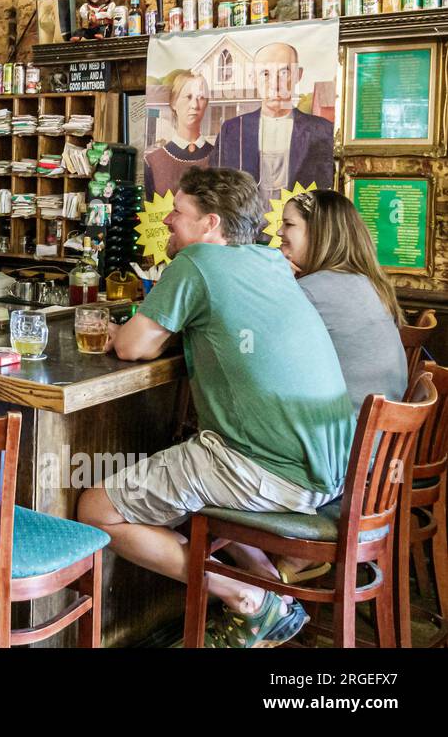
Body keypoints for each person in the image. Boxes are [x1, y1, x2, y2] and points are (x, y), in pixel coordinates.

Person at [77, 167, 355, 648]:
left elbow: (133, 346)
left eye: (177, 214)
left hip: (266, 471)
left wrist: (123, 332)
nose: (168, 223)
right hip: (327, 473)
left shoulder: (198, 261)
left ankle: (249, 598)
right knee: (186, 457)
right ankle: (275, 592)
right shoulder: (271, 262)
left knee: (97, 509)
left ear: (209, 224)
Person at [278, 189, 407, 414]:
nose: (279, 231)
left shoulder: (312, 291)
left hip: (343, 440)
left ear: (318, 232)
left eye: (288, 224)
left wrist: (274, 278)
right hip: (382, 439)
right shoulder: (366, 281)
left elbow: (259, 356)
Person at [211, 42, 334, 205]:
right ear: (253, 79)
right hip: (245, 229)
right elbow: (217, 190)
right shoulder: (232, 131)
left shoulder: (321, 131)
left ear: (298, 75)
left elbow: (327, 192)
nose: (275, 84)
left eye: (284, 72)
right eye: (265, 73)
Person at [144, 70, 215, 198]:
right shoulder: (153, 162)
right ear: (174, 102)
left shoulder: (220, 158)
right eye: (188, 97)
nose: (194, 105)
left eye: (201, 98)